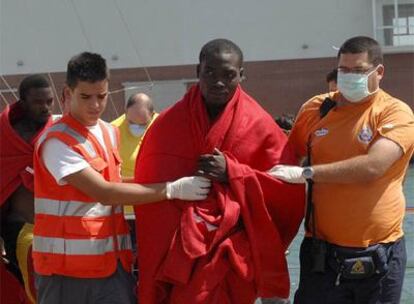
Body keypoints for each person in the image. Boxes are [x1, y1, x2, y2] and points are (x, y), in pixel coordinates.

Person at [133, 39, 304, 304]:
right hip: (180, 252)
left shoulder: (260, 124)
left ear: (242, 75)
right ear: (197, 72)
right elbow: (148, 186)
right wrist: (177, 189)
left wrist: (233, 172)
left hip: (232, 252)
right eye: (210, 72)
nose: (218, 82)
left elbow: (284, 190)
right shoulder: (168, 123)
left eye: (229, 75)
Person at [32, 52, 210, 304]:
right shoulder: (57, 141)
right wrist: (171, 189)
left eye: (101, 96)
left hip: (112, 266)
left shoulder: (109, 132)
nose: (95, 105)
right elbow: (104, 193)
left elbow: (115, 186)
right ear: (67, 93)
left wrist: (174, 184)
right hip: (65, 274)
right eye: (85, 97)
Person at [269, 36, 414, 303]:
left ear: (378, 72)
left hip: (380, 252)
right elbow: (284, 160)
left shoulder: (395, 113)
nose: (349, 76)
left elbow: (374, 166)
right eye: (343, 70)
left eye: (358, 70)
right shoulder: (315, 109)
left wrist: (308, 173)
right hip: (321, 254)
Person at [0, 74, 54, 303]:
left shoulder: (57, 134)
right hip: (19, 226)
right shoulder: (6, 136)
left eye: (49, 101)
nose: (45, 108)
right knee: (34, 290)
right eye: (38, 102)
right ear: (23, 102)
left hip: (57, 228)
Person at [111, 93, 158, 178]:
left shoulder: (161, 126)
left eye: (143, 124)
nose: (136, 127)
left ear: (152, 115)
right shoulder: (112, 131)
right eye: (131, 122)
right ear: (125, 111)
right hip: (127, 187)